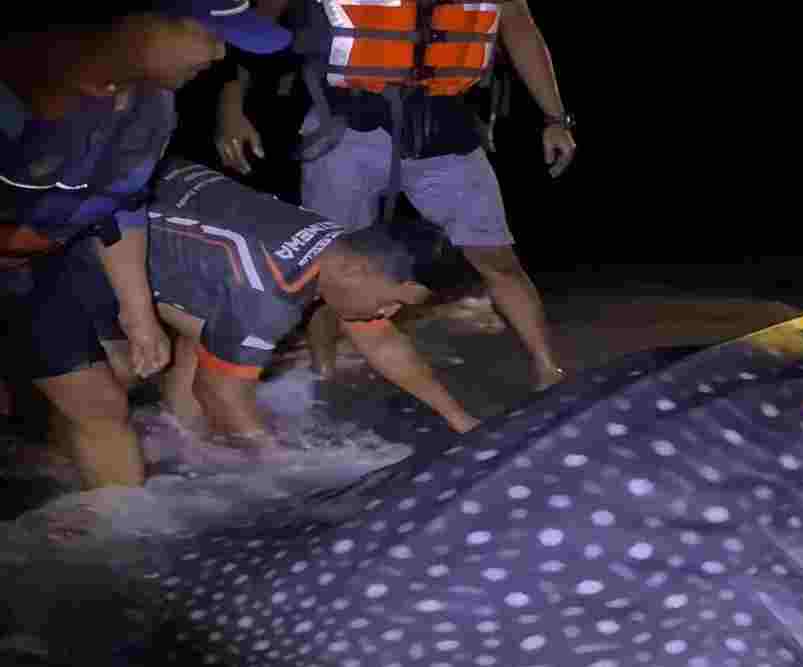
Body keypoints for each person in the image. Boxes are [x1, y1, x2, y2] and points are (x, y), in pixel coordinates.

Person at [0, 2, 292, 489]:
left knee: (104, 400)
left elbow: (119, 208)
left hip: (40, 261)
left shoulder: (153, 107)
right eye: (210, 35)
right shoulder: (17, 84)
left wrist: (140, 317)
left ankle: (120, 540)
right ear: (141, 20)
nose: (220, 54)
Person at [215, 0, 577, 393]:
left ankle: (549, 372)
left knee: (497, 259)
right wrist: (230, 105)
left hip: (445, 124)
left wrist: (555, 118)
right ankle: (323, 377)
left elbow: (520, 28)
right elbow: (253, 24)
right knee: (328, 266)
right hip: (345, 123)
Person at [142, 158, 480, 446]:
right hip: (106, 230)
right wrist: (276, 465)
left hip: (163, 181)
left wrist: (460, 419)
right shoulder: (267, 300)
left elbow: (382, 342)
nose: (389, 314)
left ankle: (180, 431)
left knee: (215, 333)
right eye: (391, 303)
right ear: (355, 269)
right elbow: (220, 392)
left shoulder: (336, 248)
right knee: (114, 384)